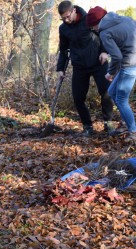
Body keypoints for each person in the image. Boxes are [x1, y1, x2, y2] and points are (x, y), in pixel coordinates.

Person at [57, 0, 115, 136]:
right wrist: (60, 69)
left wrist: (105, 51)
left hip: (98, 63)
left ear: (74, 11)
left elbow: (104, 35)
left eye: (67, 16)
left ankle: (108, 123)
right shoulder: (63, 29)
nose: (66, 20)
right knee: (78, 97)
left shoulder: (88, 19)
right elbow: (64, 50)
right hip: (79, 66)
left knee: (107, 93)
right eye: (63, 18)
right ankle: (87, 126)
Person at [86, 7, 136, 143]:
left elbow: (117, 56)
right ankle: (127, 123)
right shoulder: (125, 19)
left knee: (121, 99)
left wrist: (110, 73)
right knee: (111, 91)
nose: (94, 30)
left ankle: (133, 132)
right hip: (131, 62)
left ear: (96, 23)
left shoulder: (104, 32)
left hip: (129, 65)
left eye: (92, 27)